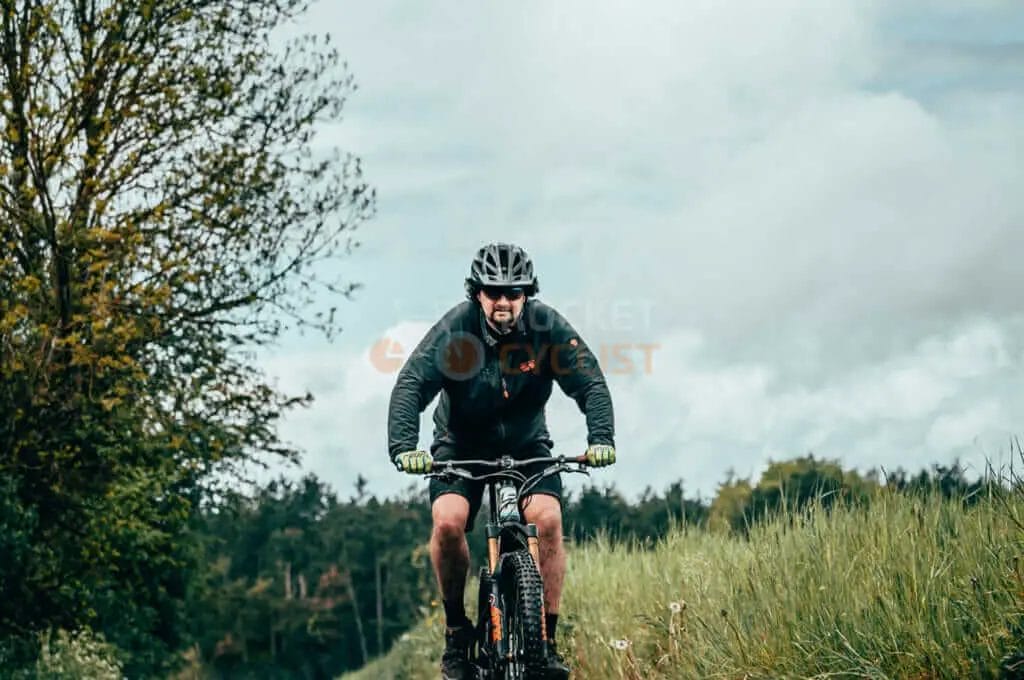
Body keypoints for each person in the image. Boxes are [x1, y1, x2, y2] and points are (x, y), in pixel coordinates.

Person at [387, 242, 616, 680]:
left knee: (547, 522)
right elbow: (412, 384)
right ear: (478, 294)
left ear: (527, 294)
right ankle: (457, 633)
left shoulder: (546, 327)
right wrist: (403, 447)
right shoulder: (456, 329)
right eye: (494, 293)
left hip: (529, 445)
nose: (504, 302)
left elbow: (590, 382)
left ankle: (544, 641)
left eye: (514, 293)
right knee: (448, 522)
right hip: (461, 446)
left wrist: (601, 438)